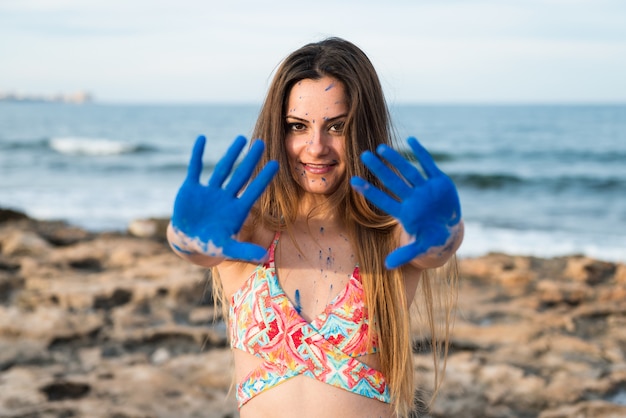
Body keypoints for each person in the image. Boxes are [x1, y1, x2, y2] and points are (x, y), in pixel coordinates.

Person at [167, 37, 463, 418]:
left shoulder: (388, 238)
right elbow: (196, 249)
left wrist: (448, 231)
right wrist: (184, 235)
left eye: (337, 127)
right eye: (297, 126)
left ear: (362, 130)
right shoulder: (247, 234)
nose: (315, 146)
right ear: (279, 129)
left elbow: (436, 249)